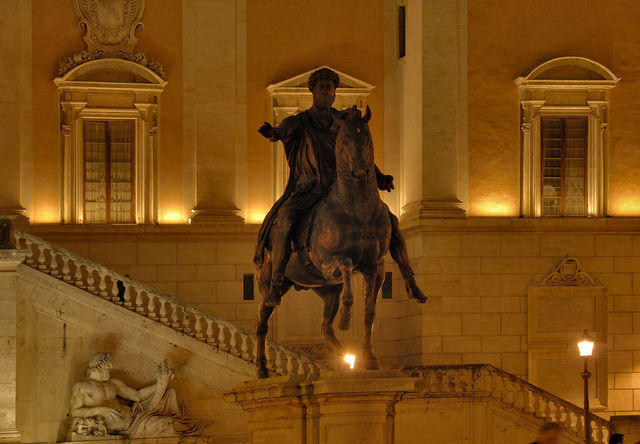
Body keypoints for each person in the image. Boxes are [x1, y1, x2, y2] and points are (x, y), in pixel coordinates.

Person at [255, 67, 427, 306]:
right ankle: (275, 283)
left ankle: (409, 278)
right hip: (310, 187)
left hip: (339, 188)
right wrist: (274, 133)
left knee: (391, 221)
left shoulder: (343, 124)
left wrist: (379, 177)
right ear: (313, 92)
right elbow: (284, 130)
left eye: (330, 88)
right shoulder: (301, 121)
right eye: (322, 87)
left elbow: (357, 153)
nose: (326, 92)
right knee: (285, 218)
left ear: (335, 94)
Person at [69, 352, 203, 439]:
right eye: (108, 366)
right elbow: (75, 411)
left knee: (167, 420)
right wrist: (101, 409)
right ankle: (193, 433)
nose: (111, 368)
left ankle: (192, 432)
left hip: (135, 416)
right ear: (100, 367)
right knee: (164, 424)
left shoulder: (113, 383)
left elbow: (137, 395)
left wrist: (161, 381)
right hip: (126, 427)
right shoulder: (82, 386)